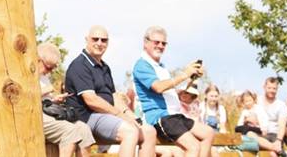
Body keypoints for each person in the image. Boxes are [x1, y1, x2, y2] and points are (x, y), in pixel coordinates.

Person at [65, 25, 156, 157]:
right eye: (95, 39)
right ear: (87, 40)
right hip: (86, 117)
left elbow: (114, 97)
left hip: (104, 116)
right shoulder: (80, 65)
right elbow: (91, 100)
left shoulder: (104, 67)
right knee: (130, 131)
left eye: (104, 40)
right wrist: (120, 115)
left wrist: (130, 115)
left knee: (149, 131)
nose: (99, 43)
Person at [132, 25, 212, 157]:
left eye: (163, 43)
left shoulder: (160, 66)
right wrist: (185, 74)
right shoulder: (142, 65)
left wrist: (191, 79)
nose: (160, 46)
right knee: (193, 147)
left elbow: (167, 91)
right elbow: (158, 87)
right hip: (161, 117)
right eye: (156, 42)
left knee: (208, 133)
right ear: (145, 42)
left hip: (174, 116)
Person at [38, 42, 95, 157]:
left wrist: (54, 99)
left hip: (48, 113)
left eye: (53, 68)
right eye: (48, 67)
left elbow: (46, 100)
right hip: (35, 115)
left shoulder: (44, 77)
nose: (50, 71)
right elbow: (24, 98)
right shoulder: (25, 74)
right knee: (70, 131)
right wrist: (46, 90)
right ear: (38, 59)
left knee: (84, 129)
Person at [260, 77, 287, 148]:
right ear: (264, 87)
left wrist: (279, 140)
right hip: (258, 132)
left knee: (273, 151)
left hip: (273, 134)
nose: (272, 90)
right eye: (269, 88)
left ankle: (275, 148)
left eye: (274, 88)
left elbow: (282, 125)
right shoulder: (257, 101)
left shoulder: (281, 105)